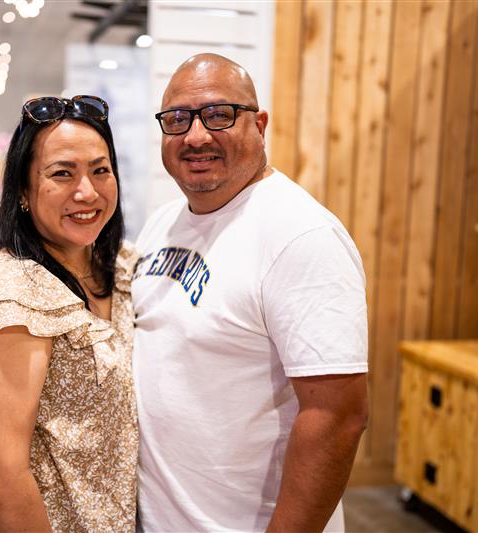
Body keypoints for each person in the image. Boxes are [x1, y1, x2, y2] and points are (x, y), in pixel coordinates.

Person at [132, 53, 369, 532]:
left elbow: (336, 417)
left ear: (259, 125)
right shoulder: (162, 223)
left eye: (218, 115)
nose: (195, 136)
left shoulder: (300, 235)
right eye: (177, 119)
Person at [0, 95, 138, 532]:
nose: (87, 191)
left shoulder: (119, 268)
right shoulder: (7, 293)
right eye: (62, 173)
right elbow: (0, 471)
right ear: (23, 192)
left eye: (100, 170)